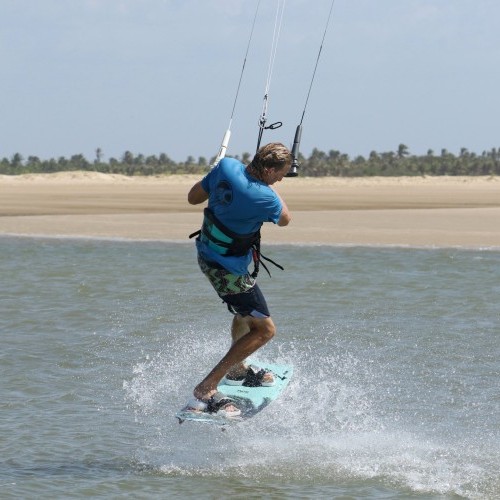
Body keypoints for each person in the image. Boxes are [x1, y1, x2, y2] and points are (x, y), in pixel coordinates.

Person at [186, 142, 292, 417]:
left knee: (246, 315)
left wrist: (214, 175)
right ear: (269, 169)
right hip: (227, 271)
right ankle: (207, 387)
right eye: (281, 173)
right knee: (265, 330)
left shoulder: (227, 166)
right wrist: (270, 188)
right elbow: (285, 220)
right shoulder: (266, 198)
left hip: (207, 254)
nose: (282, 178)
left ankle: (236, 368)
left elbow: (193, 197)